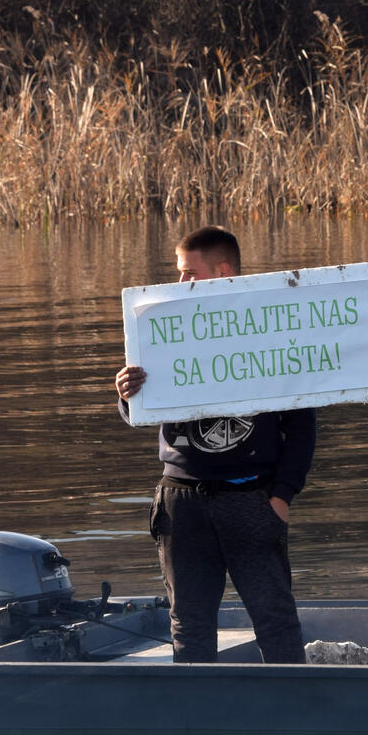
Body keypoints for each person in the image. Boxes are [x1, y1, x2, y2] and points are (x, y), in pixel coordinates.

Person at [116, 224, 315, 663]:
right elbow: (139, 413)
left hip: (251, 499)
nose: (179, 282)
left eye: (189, 272)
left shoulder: (272, 332)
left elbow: (302, 426)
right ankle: (196, 719)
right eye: (178, 272)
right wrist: (127, 395)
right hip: (181, 501)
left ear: (223, 271)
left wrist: (282, 496)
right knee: (188, 623)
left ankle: (295, 716)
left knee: (276, 621)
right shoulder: (158, 327)